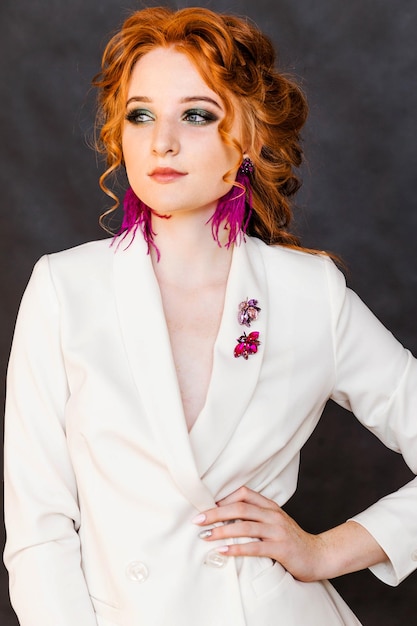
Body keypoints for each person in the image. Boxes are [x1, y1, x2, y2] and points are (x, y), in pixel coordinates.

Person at [3, 6, 417, 626]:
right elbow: (38, 533)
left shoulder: (309, 293)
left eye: (196, 115)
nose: (161, 141)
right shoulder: (66, 288)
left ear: (247, 138)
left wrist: (325, 551)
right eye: (141, 114)